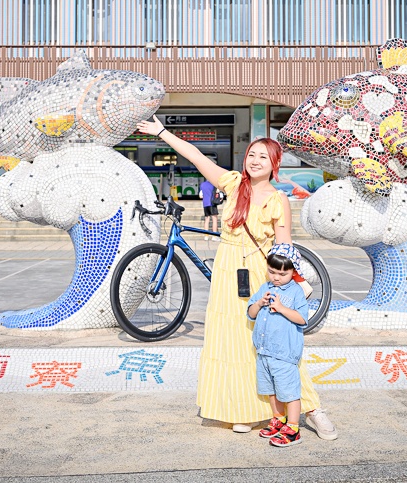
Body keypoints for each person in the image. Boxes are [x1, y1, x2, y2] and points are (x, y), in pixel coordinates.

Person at [134, 116, 338, 439]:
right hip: (228, 275)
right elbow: (197, 157)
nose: (254, 161)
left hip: (261, 275)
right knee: (233, 343)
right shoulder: (233, 184)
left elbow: (284, 248)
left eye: (263, 157)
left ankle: (312, 409)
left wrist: (281, 290)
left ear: (274, 165)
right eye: (252, 155)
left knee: (277, 347)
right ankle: (244, 410)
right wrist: (162, 133)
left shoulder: (277, 200)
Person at [247, 244, 309, 447]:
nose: (276, 277)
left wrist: (282, 308)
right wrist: (259, 303)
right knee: (271, 389)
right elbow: (250, 313)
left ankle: (293, 427)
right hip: (264, 352)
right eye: (272, 272)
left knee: (289, 392)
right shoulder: (265, 288)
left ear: (293, 271)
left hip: (284, 354)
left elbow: (302, 319)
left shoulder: (296, 292)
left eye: (283, 273)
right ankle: (278, 418)